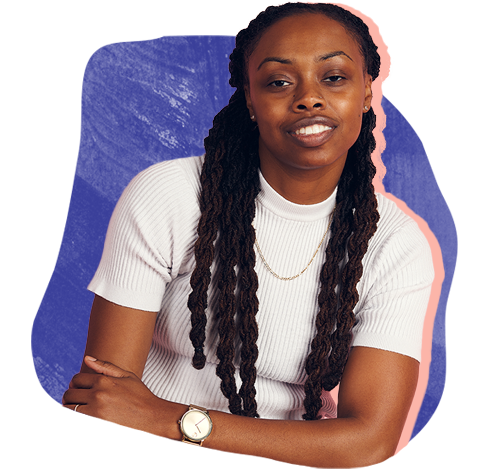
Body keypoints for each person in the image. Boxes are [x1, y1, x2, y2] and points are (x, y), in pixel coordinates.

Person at [62, 1, 434, 469]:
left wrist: (172, 420)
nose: (309, 98)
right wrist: (157, 432)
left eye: (334, 77)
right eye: (279, 81)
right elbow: (105, 404)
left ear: (365, 92)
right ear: (251, 101)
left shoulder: (394, 245)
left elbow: (369, 440)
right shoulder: (172, 196)